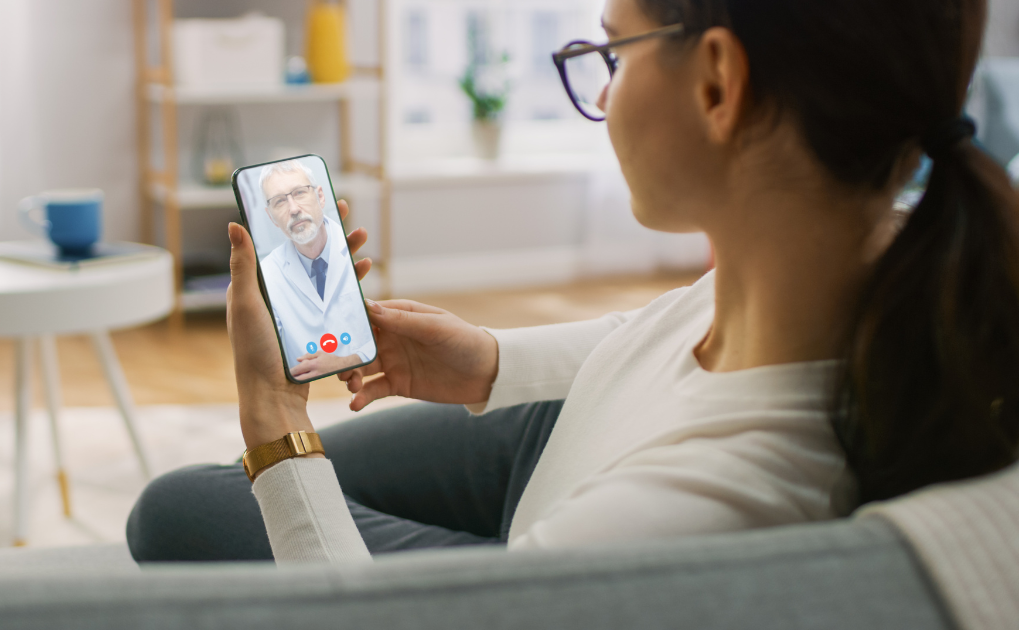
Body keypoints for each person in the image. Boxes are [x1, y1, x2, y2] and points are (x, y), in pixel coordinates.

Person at [127, 0, 1019, 566]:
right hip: (569, 442)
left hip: (561, 529)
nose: (602, 86)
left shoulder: (704, 504)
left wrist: (275, 418)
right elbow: (667, 326)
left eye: (612, 54)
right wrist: (484, 361)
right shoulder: (862, 262)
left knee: (182, 509)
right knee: (216, 494)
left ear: (718, 83)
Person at [254, 159, 374, 381]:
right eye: (280, 201)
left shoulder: (353, 249)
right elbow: (275, 354)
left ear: (320, 196)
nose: (293, 209)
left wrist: (348, 361)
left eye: (299, 193)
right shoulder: (267, 272)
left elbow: (375, 335)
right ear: (271, 216)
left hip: (365, 377)